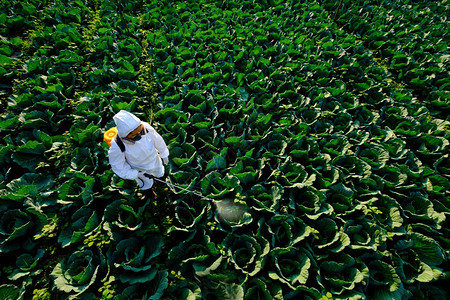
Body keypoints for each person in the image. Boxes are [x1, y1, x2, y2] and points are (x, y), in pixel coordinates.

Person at [108, 110, 169, 190]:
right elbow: (117, 165)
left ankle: (161, 183)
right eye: (134, 134)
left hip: (154, 160)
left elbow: (157, 139)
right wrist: (134, 174)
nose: (138, 134)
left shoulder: (145, 127)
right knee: (146, 184)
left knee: (159, 173)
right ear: (126, 135)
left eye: (139, 130)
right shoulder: (117, 144)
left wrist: (164, 153)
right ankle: (150, 192)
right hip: (140, 169)